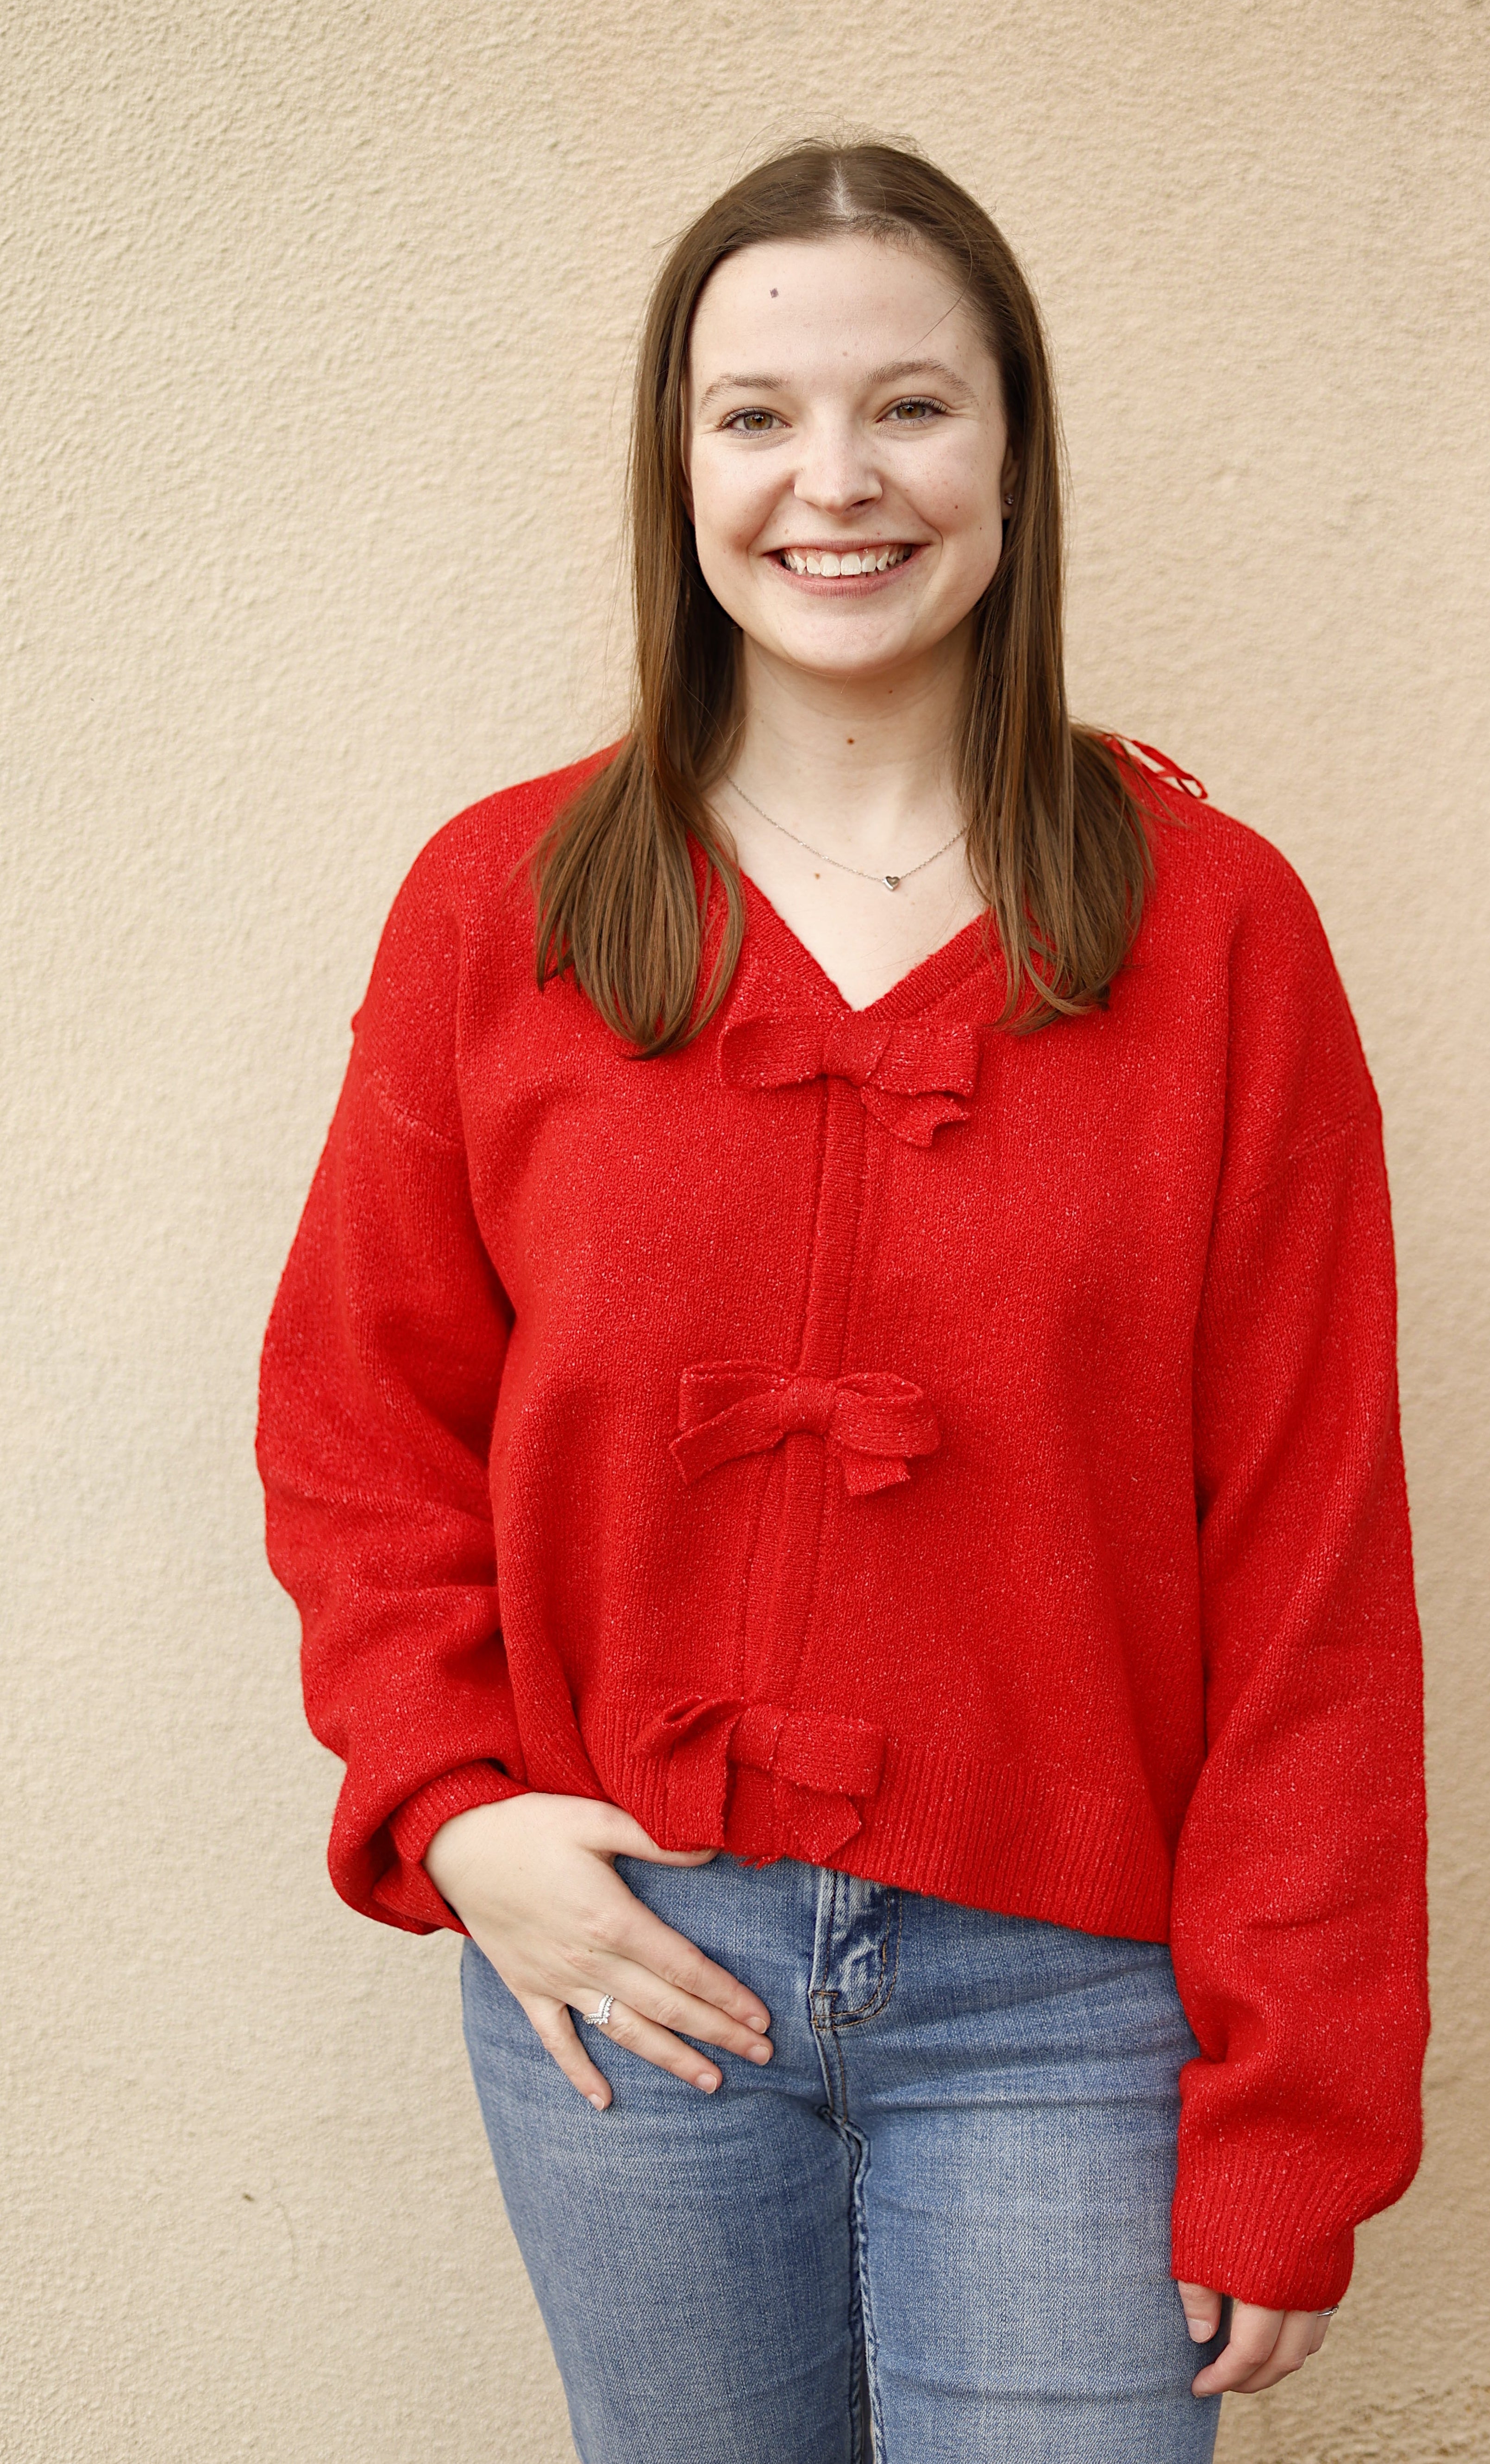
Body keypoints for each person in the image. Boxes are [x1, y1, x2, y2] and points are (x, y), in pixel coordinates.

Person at [257, 140, 1428, 2464]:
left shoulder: (1214, 929)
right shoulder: (505, 906)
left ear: (1014, 452)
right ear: (677, 463)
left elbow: (1316, 1555)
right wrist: (455, 1808)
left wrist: (1300, 2102)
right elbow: (358, 1422)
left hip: (1077, 2001)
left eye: (911, 406)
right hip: (631, 1971)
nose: (835, 479)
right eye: (757, 414)